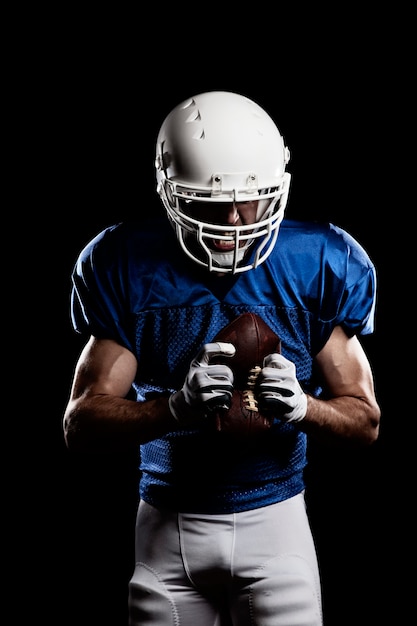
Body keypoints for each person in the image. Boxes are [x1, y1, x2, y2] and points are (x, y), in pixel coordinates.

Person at [63, 91, 381, 626]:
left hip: (275, 521)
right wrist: (175, 409)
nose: (233, 218)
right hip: (167, 525)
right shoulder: (126, 262)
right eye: (211, 201)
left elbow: (366, 420)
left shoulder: (317, 261)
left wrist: (304, 407)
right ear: (170, 193)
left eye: (250, 199)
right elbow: (81, 423)